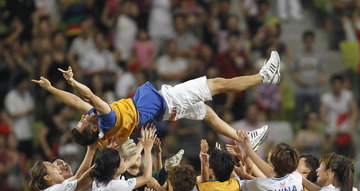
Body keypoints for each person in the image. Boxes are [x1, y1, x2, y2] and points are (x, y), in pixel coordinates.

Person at [31, 51, 281, 151]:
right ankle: (264, 76)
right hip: (169, 100)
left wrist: (52, 88)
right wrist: (73, 82)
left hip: (165, 111)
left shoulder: (104, 131)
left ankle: (244, 138)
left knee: (207, 114)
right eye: (82, 123)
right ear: (92, 128)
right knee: (218, 84)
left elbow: (76, 103)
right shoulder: (108, 117)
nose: (83, 118)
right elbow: (88, 97)